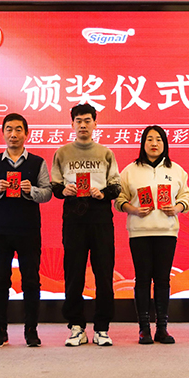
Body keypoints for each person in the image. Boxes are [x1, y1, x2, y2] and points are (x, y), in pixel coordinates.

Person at [0, 113, 52, 348]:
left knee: (31, 281)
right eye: (9, 129)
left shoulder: (37, 162)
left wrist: (32, 191)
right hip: (0, 230)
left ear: (26, 134)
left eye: (19, 129)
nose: (13, 134)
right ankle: (0, 331)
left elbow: (47, 193)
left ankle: (31, 330)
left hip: (29, 230)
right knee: (0, 281)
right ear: (3, 133)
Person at [50, 103, 122, 347]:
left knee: (104, 273)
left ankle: (102, 327)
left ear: (95, 123)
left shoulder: (105, 153)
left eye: (87, 120)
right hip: (74, 217)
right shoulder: (62, 153)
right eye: (78, 121)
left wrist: (103, 193)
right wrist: (64, 190)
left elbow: (116, 186)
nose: (83, 125)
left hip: (100, 216)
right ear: (72, 124)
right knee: (74, 273)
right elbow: (54, 186)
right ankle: (76, 326)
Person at [115, 125, 189, 345]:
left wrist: (176, 208)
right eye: (149, 139)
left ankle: (162, 328)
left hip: (167, 231)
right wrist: (134, 209)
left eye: (158, 139)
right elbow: (119, 200)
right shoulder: (130, 170)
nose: (154, 143)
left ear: (165, 143)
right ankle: (144, 329)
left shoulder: (176, 170)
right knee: (142, 279)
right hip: (139, 232)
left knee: (162, 279)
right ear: (143, 144)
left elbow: (186, 197)